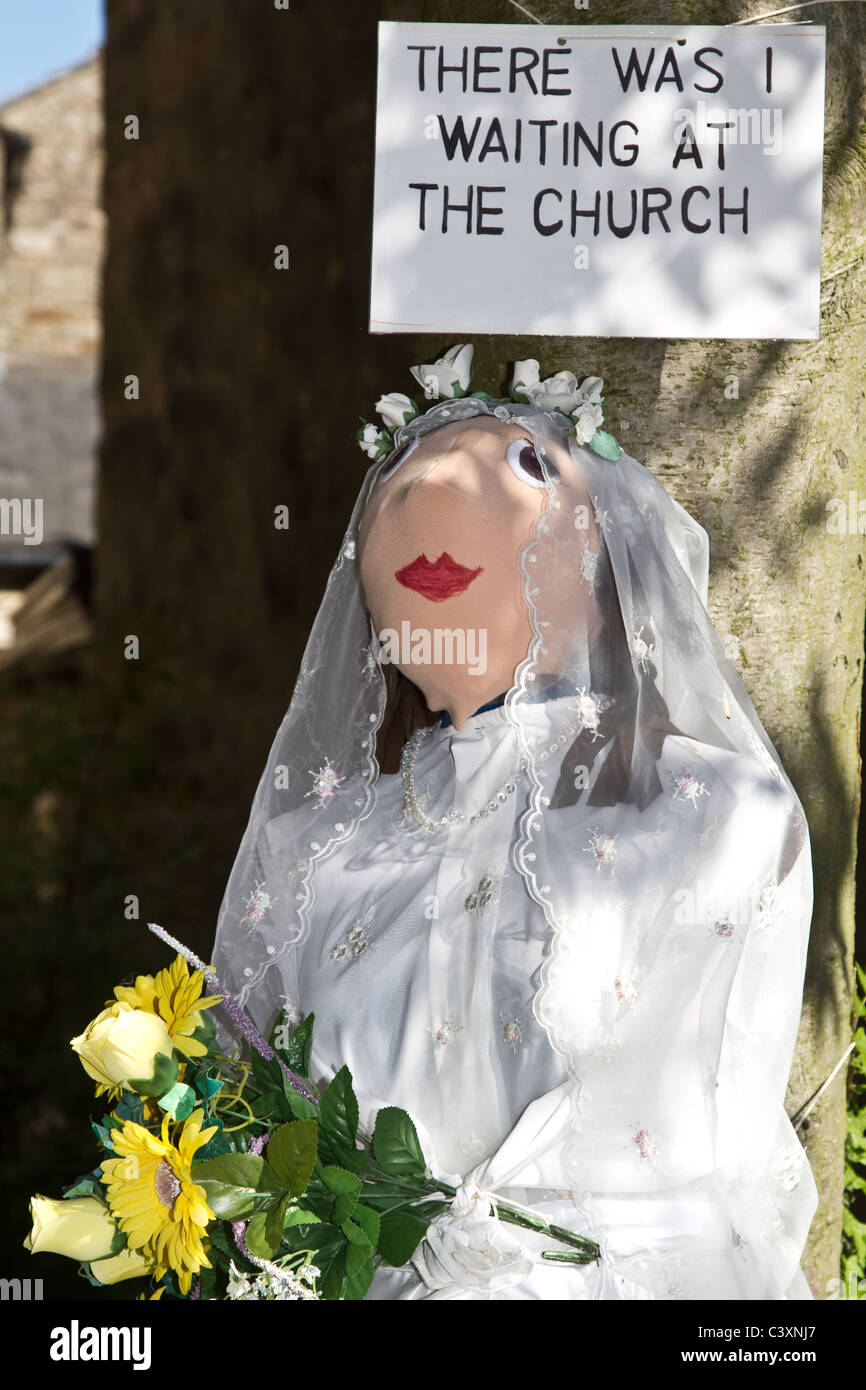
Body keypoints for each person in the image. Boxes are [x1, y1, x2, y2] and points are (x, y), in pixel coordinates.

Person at [210, 346, 818, 1299]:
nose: (434, 501)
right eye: (400, 479)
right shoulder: (316, 859)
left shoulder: (721, 818)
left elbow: (739, 1124)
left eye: (528, 465)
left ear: (611, 547)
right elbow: (268, 1132)